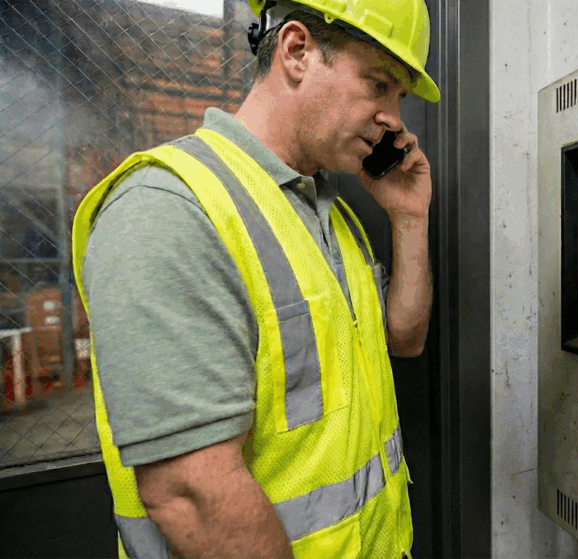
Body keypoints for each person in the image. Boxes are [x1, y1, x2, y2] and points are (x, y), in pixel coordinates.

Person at [71, 0, 438, 557]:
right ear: (296, 51)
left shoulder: (332, 216)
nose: (394, 118)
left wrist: (409, 218)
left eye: (400, 97)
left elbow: (403, 340)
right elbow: (191, 493)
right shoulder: (170, 208)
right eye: (379, 85)